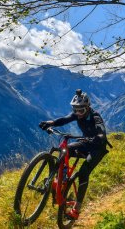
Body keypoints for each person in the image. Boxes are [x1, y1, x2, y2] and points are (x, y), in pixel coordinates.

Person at [39, 89, 110, 220]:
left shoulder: (95, 116)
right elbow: (65, 119)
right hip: (85, 143)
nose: (78, 113)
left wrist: (99, 136)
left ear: (87, 107)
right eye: (75, 109)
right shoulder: (77, 114)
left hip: (97, 148)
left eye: (81, 110)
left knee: (83, 173)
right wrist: (51, 123)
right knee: (66, 149)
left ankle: (76, 208)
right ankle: (63, 178)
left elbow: (101, 130)